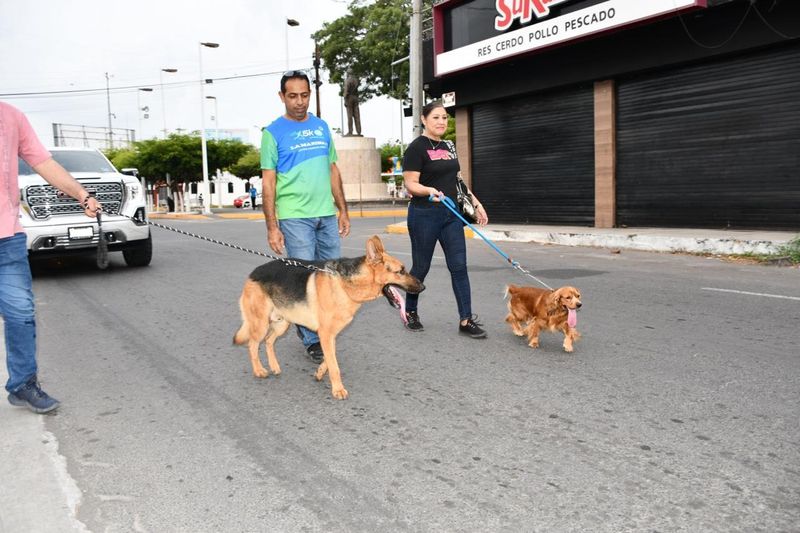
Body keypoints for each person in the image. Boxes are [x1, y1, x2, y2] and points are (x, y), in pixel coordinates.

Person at [0, 101, 102, 413]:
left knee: (21, 313)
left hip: (6, 236)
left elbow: (44, 163)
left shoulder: (11, 116)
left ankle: (23, 384)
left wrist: (82, 195)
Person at [260, 70, 351, 364]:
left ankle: (324, 328)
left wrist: (343, 210)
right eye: (292, 96)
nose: (300, 102)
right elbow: (268, 182)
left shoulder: (322, 127)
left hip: (326, 214)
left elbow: (333, 170)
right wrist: (273, 227)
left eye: (304, 95)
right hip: (295, 216)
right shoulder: (272, 133)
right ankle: (312, 339)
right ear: (281, 97)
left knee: (332, 277)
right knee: (304, 278)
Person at [401, 100, 489, 339]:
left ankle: (466, 319)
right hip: (424, 215)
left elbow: (458, 181)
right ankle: (410, 311)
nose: (441, 122)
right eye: (436, 117)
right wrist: (429, 190)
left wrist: (477, 204)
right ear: (424, 120)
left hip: (452, 215)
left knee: (459, 266)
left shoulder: (449, 146)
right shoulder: (416, 148)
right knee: (421, 267)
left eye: (444, 118)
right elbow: (410, 183)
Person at [343, 71, 361, 137]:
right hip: (356, 98)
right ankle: (359, 131)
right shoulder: (356, 80)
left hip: (349, 98)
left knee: (349, 116)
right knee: (357, 115)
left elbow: (346, 91)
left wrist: (345, 99)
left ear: (348, 73)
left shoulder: (347, 80)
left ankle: (350, 131)